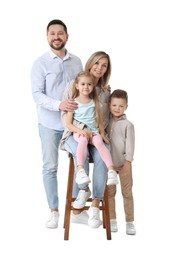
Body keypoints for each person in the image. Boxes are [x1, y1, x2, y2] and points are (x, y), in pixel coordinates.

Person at [31, 19, 83, 229]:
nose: (56, 37)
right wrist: (59, 104)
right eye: (52, 33)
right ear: (47, 37)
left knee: (80, 164)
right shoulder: (40, 63)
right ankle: (54, 211)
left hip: (73, 125)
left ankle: (76, 209)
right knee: (50, 167)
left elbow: (83, 87)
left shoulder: (77, 61)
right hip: (50, 124)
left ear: (67, 37)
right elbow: (37, 95)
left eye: (60, 33)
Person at [61, 51, 112, 228]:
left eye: (104, 65)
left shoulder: (105, 92)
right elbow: (65, 118)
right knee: (79, 152)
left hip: (95, 135)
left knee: (101, 159)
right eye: (97, 63)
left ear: (107, 70)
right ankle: (83, 191)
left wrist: (98, 132)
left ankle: (95, 206)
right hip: (74, 134)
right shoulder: (73, 85)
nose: (99, 68)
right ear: (90, 63)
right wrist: (83, 130)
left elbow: (104, 120)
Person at [65, 71, 118, 186]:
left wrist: (102, 133)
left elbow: (99, 120)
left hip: (93, 131)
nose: (86, 87)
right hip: (80, 132)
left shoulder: (94, 102)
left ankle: (111, 170)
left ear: (93, 86)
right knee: (83, 141)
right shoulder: (73, 103)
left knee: (99, 142)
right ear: (77, 86)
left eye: (89, 84)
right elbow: (68, 124)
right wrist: (81, 131)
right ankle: (80, 170)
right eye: (83, 84)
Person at [107, 89, 136, 235]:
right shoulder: (106, 121)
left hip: (124, 165)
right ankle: (112, 219)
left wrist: (127, 163)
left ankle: (130, 222)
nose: (117, 108)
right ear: (109, 105)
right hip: (109, 166)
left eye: (120, 106)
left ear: (126, 107)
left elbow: (130, 147)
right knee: (110, 193)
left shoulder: (128, 125)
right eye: (114, 105)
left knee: (127, 193)